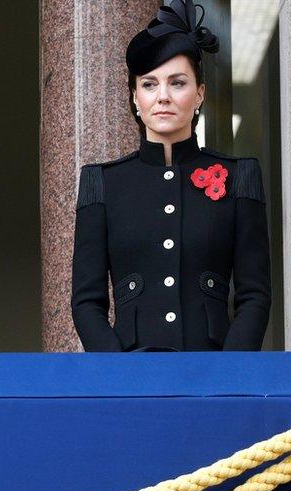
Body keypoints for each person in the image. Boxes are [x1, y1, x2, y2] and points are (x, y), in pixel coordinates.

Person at [71, 0, 270, 352]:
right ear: (135, 97)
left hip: (214, 372)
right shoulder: (103, 183)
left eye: (177, 83)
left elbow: (254, 295)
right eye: (149, 85)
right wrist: (119, 374)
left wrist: (230, 373)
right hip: (131, 376)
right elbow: (87, 302)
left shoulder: (240, 177)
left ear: (199, 94)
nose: (162, 97)